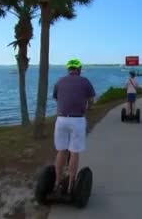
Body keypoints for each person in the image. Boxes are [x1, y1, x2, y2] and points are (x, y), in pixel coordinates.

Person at [52, 58, 96, 195]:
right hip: (77, 120)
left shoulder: (59, 81)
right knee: (74, 152)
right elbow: (91, 99)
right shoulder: (85, 81)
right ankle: (71, 183)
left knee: (61, 151)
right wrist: (88, 107)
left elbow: (56, 99)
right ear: (79, 69)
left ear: (68, 69)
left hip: (61, 119)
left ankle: (57, 182)